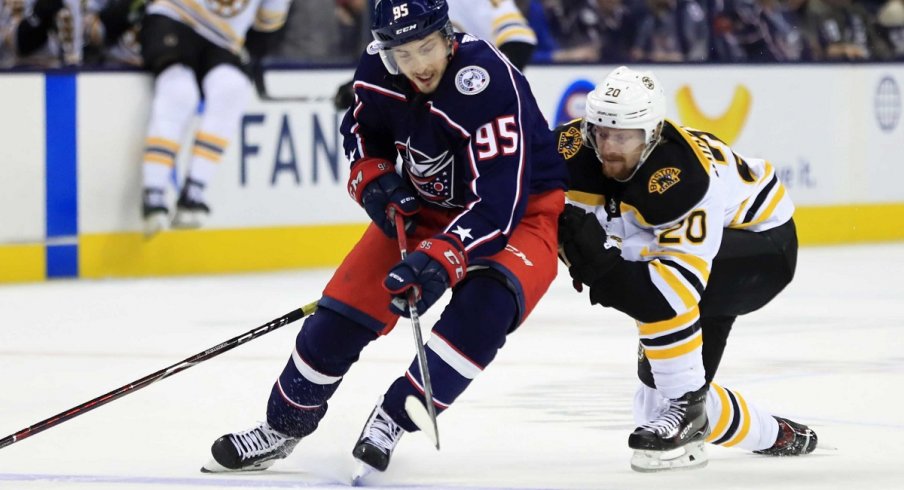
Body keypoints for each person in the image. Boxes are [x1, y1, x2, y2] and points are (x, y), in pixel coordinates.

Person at [201, 0, 567, 478]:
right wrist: (372, 178)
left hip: (521, 215)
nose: (417, 66)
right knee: (338, 319)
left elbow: (501, 200)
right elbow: (358, 128)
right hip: (427, 208)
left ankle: (392, 421)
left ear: (448, 36)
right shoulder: (378, 66)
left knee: (484, 312)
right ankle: (282, 427)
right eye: (403, 54)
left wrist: (441, 259)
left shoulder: (486, 81)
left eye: (427, 48)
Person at [555, 66, 818, 472]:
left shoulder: (685, 178)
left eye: (623, 136)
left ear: (652, 134)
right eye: (601, 132)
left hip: (761, 248)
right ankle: (774, 433)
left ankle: (689, 405)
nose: (607, 146)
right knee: (651, 408)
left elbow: (671, 294)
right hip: (706, 251)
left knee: (647, 272)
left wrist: (600, 267)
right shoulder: (573, 146)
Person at [139, 0, 292, 236]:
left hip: (223, 41)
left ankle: (195, 191)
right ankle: (154, 190)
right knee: (179, 91)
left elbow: (268, 23)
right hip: (173, 15)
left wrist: (251, 61)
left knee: (233, 88)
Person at [332, 0, 537, 110]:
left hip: (480, 112)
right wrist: (359, 88)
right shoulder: (395, 6)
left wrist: (485, 86)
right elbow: (399, 55)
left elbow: (520, 42)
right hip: (431, 116)